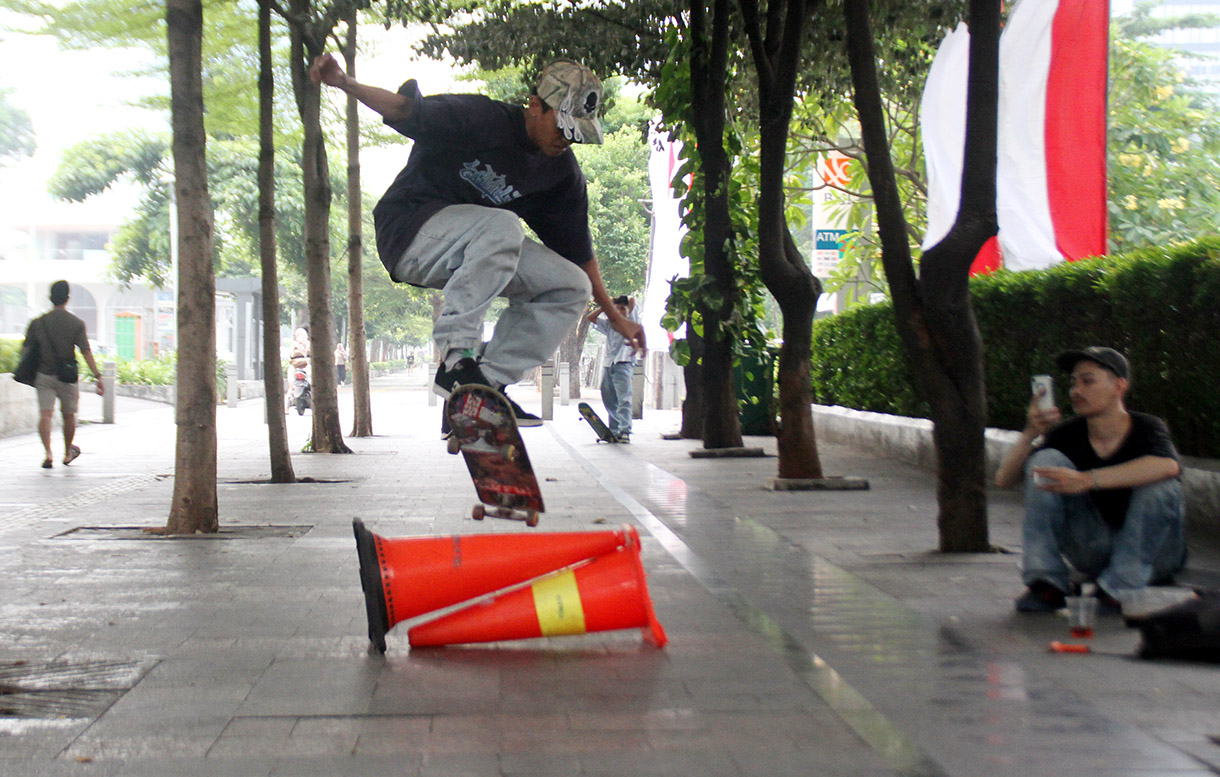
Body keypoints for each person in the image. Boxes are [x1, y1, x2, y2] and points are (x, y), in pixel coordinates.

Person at [309, 53, 645, 428]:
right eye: (562, 128)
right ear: (535, 106)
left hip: (474, 247)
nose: (567, 141)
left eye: (575, 135)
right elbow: (406, 109)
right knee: (503, 226)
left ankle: (484, 387)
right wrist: (344, 82)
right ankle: (457, 360)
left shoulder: (561, 176)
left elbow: (580, 254)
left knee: (570, 286)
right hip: (409, 233)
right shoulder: (480, 118)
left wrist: (616, 317)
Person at [995, 347, 1186, 615]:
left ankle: (1118, 588)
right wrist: (1030, 433)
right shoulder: (1067, 434)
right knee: (1045, 462)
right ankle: (1046, 583)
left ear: (1118, 386)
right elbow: (1004, 480)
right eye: (1073, 382)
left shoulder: (1147, 427)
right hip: (1093, 548)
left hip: (1156, 554)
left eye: (1087, 381)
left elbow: (1168, 465)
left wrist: (1088, 480)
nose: (1076, 391)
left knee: (1163, 484)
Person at [22, 281, 104, 469]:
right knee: (68, 415)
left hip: (43, 375)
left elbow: (26, 349)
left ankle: (48, 453)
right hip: (67, 377)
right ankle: (67, 452)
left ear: (51, 298)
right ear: (67, 299)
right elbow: (86, 351)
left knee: (45, 415)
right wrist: (98, 375)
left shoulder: (37, 323)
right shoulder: (76, 323)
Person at [587, 295, 641, 442]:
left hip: (624, 364)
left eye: (622, 309)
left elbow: (632, 299)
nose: (619, 312)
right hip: (609, 364)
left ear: (629, 310)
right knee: (608, 398)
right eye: (616, 310)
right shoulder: (611, 324)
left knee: (624, 399)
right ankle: (615, 429)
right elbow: (590, 318)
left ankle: (625, 431)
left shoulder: (632, 321)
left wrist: (618, 301)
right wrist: (605, 306)